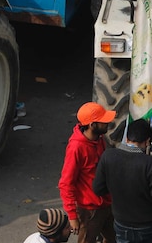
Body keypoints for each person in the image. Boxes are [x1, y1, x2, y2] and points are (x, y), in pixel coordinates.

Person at [58, 102, 117, 243]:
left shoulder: (100, 139)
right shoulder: (76, 148)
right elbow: (66, 183)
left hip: (106, 204)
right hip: (89, 210)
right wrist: (72, 216)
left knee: (114, 238)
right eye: (103, 121)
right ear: (92, 125)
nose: (108, 122)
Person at [93, 118, 152, 243]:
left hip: (121, 223)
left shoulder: (108, 156)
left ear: (126, 138)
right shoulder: (148, 164)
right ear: (147, 142)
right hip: (146, 226)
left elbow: (98, 189)